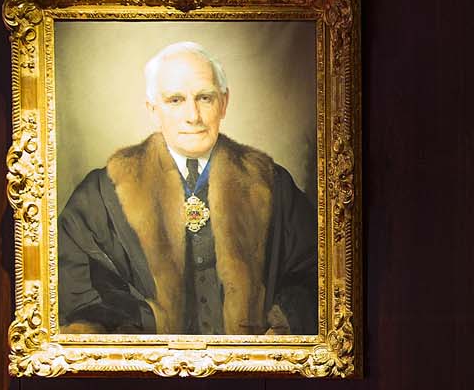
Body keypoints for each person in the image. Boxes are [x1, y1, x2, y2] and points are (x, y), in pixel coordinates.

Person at [56, 40, 318, 335]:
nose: (193, 116)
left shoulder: (271, 185)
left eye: (204, 98)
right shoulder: (103, 194)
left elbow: (315, 273)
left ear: (224, 103)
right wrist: (147, 324)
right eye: (175, 100)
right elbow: (76, 286)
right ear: (153, 110)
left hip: (248, 373)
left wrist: (281, 324)